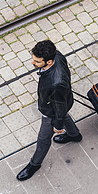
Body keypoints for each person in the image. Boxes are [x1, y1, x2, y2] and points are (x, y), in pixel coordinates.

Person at [16, 40, 82, 181]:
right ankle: (74, 135)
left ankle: (34, 164)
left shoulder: (56, 83)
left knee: (43, 139)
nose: (32, 63)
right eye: (33, 59)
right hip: (63, 100)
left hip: (51, 111)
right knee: (64, 116)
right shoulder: (57, 55)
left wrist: (57, 126)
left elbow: (60, 108)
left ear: (49, 62)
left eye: (37, 62)